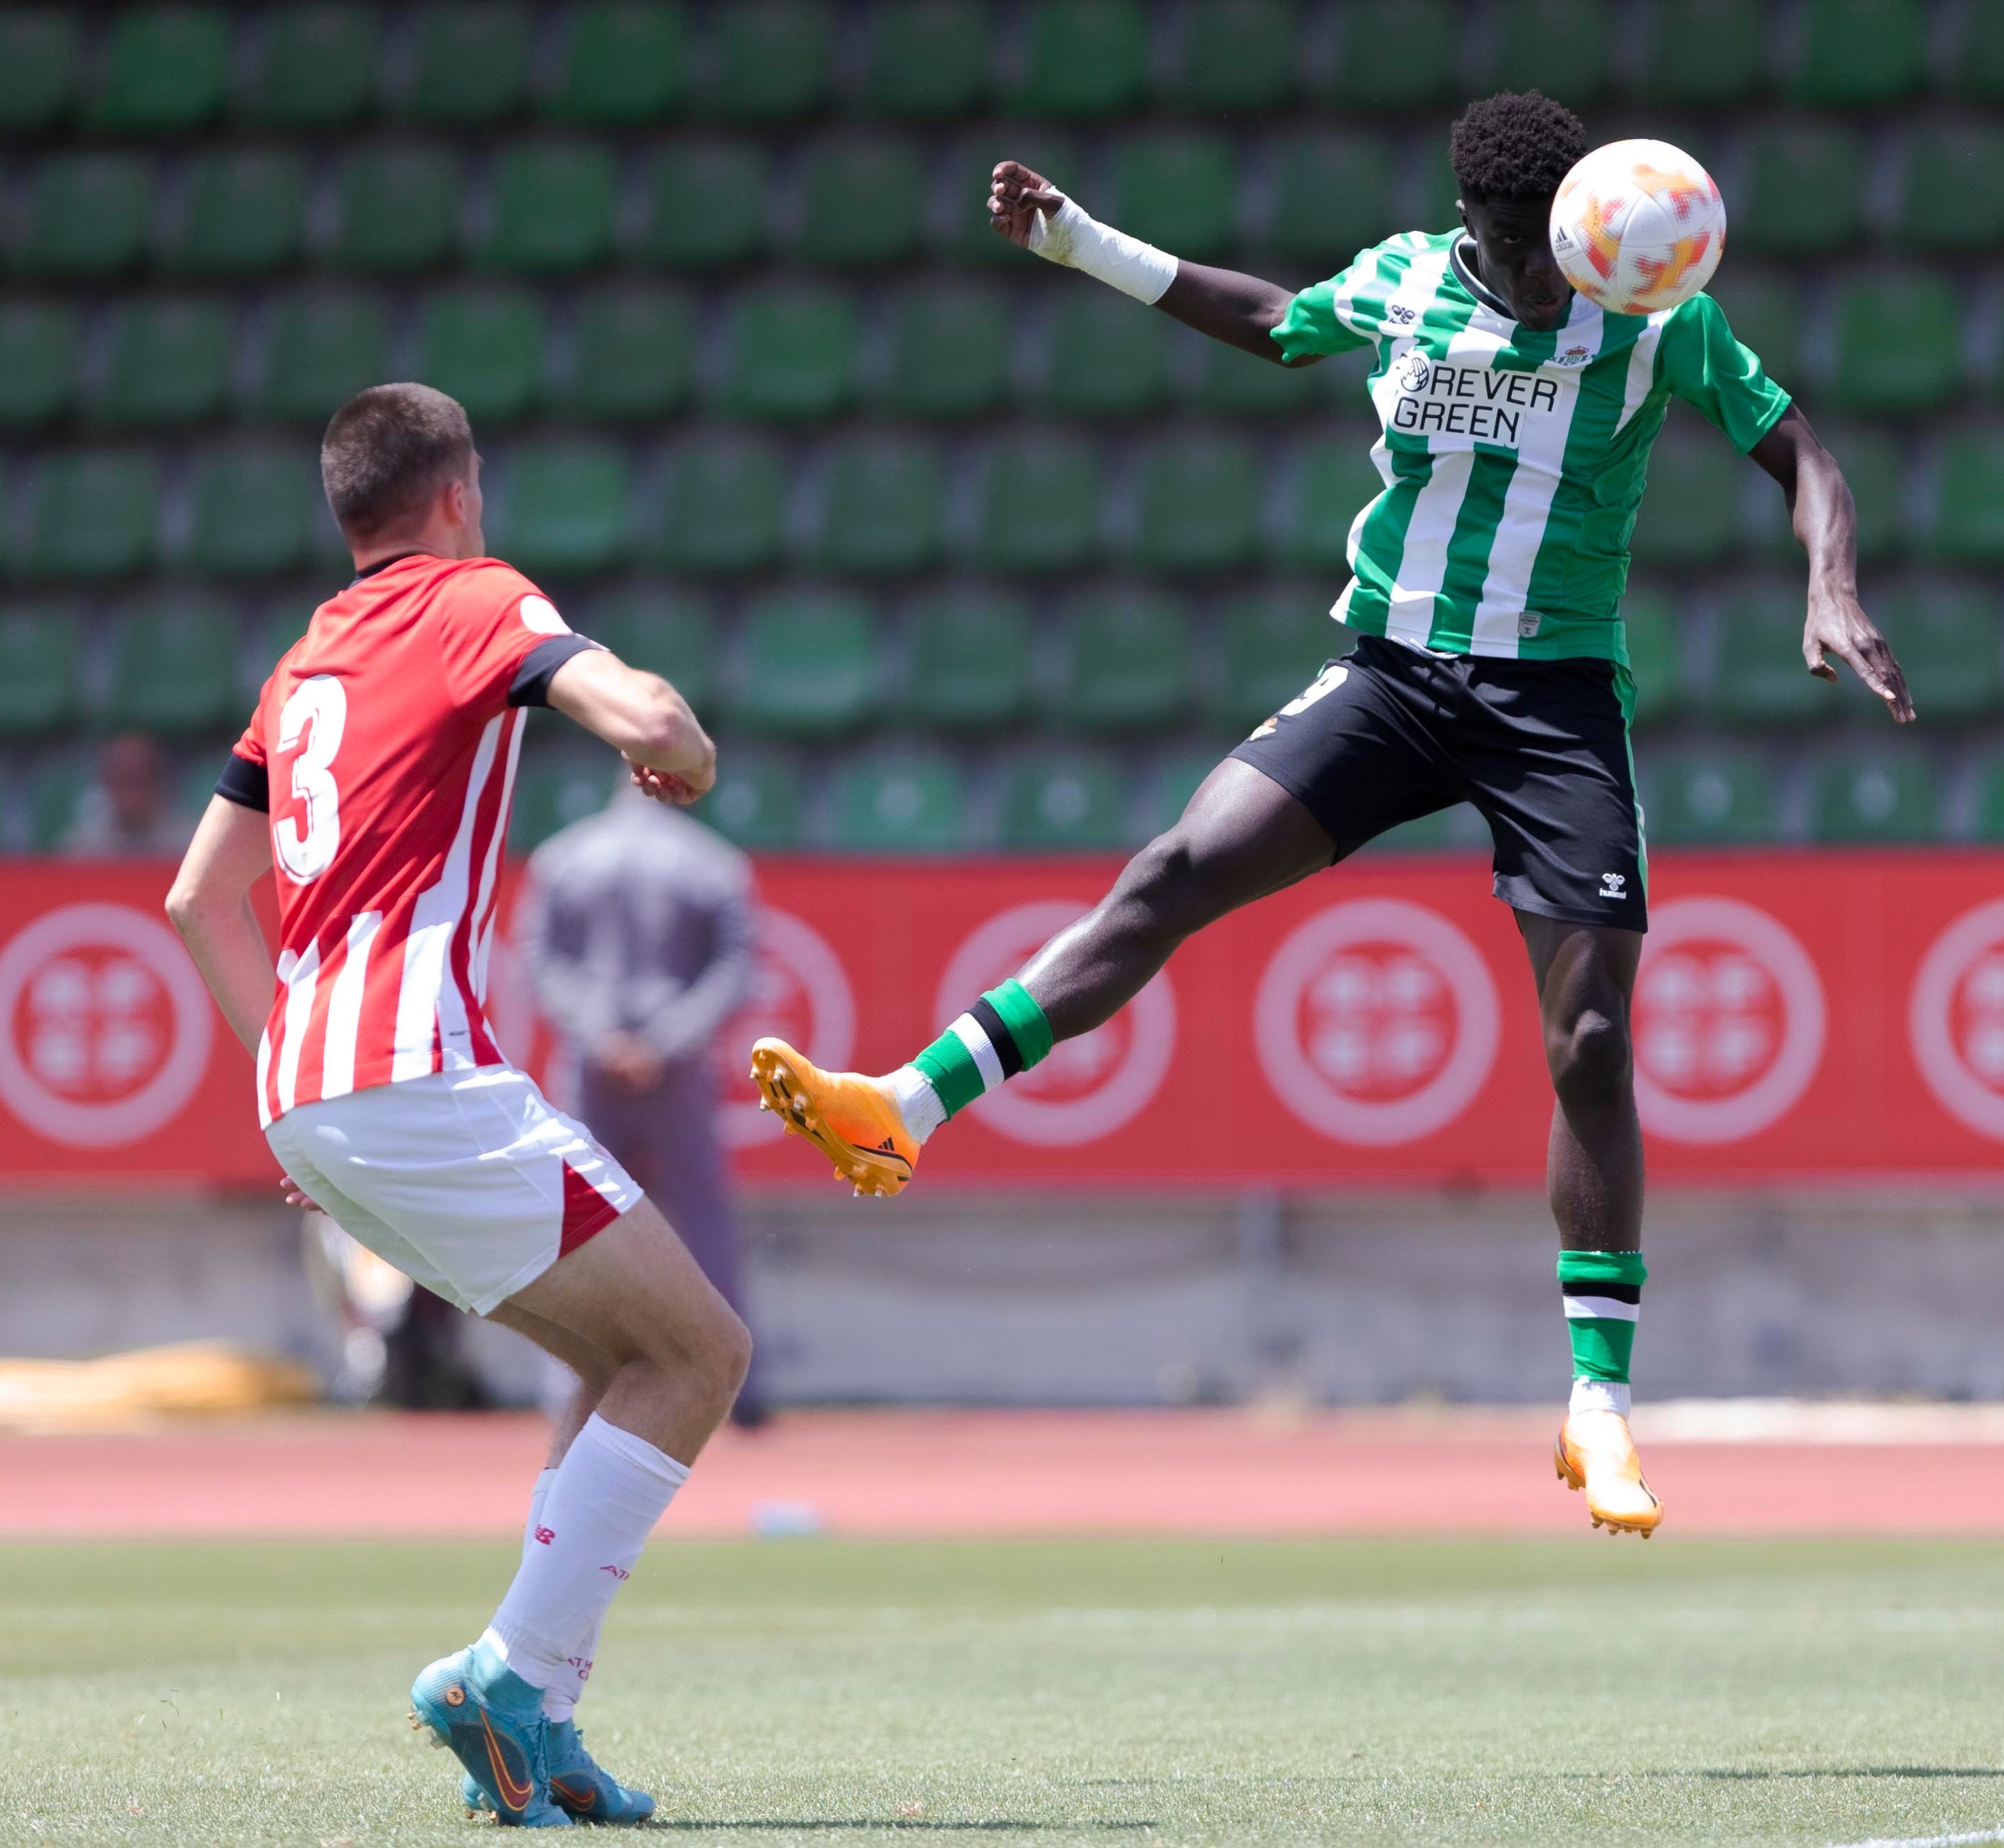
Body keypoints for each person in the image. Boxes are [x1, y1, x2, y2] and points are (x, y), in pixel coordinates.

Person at [752, 93, 1914, 1540]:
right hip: (1395, 674)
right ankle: (902, 1107)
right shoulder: (1406, 280)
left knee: (1590, 1036)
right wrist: (1079, 242)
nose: (1537, 272)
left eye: (1552, 245)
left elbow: (1800, 451)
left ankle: (1597, 1404)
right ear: (1471, 225)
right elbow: (1270, 319)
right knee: (1175, 868)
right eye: (1510, 244)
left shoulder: (1653, 310)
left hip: (1552, 699)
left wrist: (1830, 583)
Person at [165, 381, 738, 1826]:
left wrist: (286, 1070)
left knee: (620, 1358)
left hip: (309, 1087)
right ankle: (508, 1676)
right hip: (414, 1068)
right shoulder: (468, 595)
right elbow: (646, 710)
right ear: (457, 493)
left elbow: (198, 898)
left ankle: (537, 1703)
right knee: (699, 1350)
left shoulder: (303, 661)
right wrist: (678, 751)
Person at [522, 788, 766, 1426]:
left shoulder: (563, 856)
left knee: (575, 1222)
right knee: (701, 1221)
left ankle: (568, 1387)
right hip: (676, 1067)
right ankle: (735, 1387)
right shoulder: (713, 861)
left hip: (593, 1062)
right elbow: (735, 969)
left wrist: (599, 1034)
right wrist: (665, 1040)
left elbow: (542, 961)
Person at [58, 732, 197, 857]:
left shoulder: (189, 845)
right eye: (123, 779)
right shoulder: (83, 848)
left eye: (138, 779)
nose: (132, 792)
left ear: (159, 780)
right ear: (107, 782)